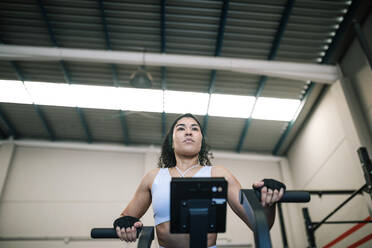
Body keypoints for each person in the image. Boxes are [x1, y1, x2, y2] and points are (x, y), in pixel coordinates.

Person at [114, 113, 286, 248]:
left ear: (201, 141)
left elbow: (258, 224)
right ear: (172, 143)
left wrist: (269, 202)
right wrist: (124, 224)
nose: (188, 132)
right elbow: (127, 217)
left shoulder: (218, 173)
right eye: (181, 128)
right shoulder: (153, 176)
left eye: (195, 129)